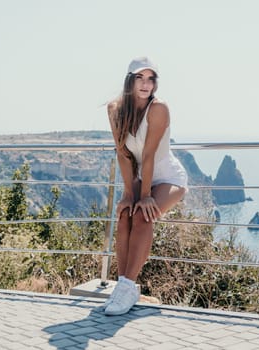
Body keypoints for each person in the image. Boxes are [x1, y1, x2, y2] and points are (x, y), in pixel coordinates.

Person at [103, 57, 188, 315]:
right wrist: (129, 194)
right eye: (140, 77)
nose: (146, 84)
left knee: (143, 215)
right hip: (141, 176)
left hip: (168, 177)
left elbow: (149, 155)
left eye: (151, 79)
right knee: (125, 215)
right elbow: (123, 154)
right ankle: (124, 287)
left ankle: (127, 288)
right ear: (130, 80)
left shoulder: (158, 108)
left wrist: (146, 196)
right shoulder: (115, 108)